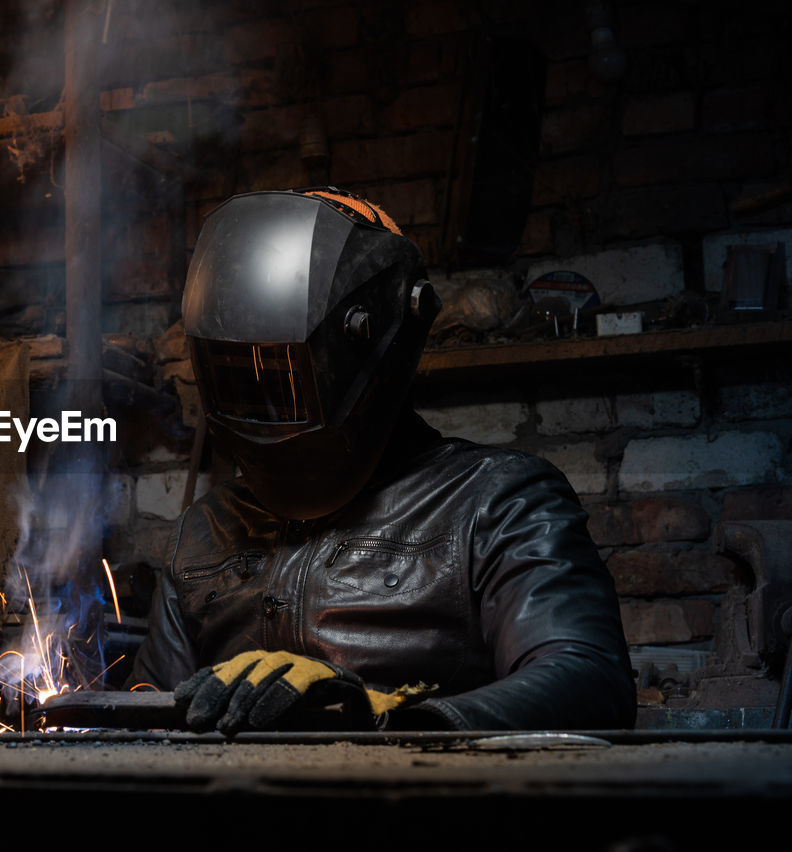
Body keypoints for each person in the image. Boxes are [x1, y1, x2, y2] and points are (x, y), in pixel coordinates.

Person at [128, 187, 636, 733]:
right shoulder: (204, 531)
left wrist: (382, 717)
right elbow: (146, 713)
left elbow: (588, 680)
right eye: (240, 375)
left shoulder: (498, 503)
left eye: (287, 376)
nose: (267, 401)